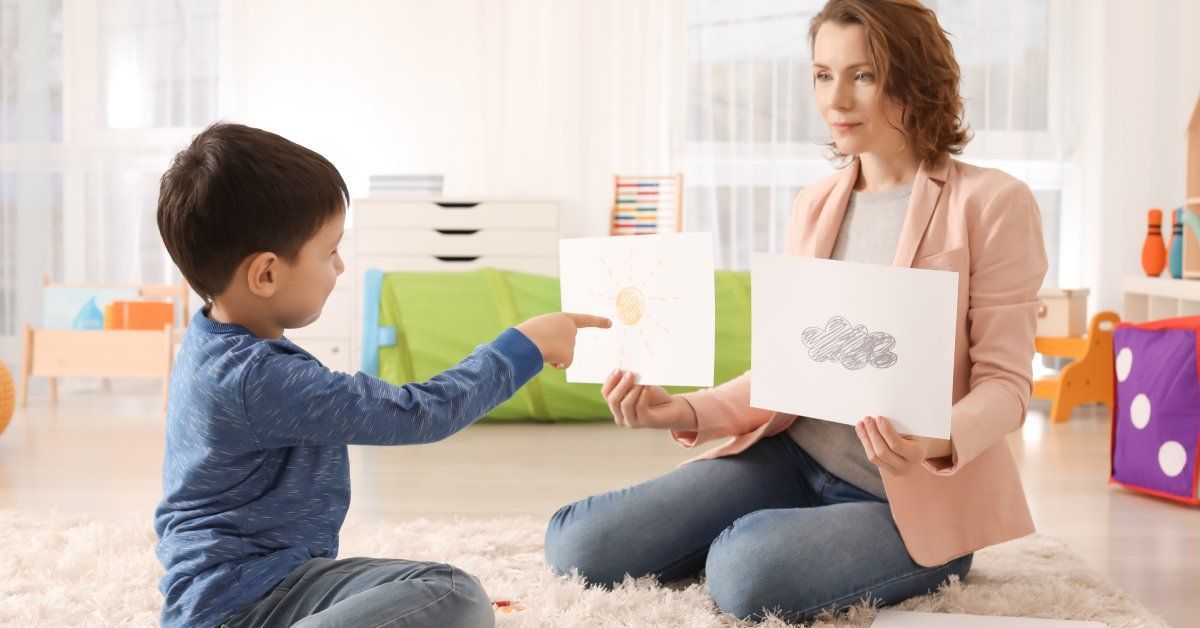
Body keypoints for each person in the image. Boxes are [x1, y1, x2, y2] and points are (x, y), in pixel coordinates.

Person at [543, 0, 1048, 622]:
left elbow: (1006, 387)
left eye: (863, 75)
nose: (836, 100)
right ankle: (784, 535)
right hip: (793, 457)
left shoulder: (994, 202)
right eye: (822, 74)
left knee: (745, 572)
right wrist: (683, 409)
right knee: (579, 545)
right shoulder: (815, 204)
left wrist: (932, 440)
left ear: (915, 77)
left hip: (906, 496)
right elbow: (789, 369)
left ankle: (831, 547)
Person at [152, 122, 610, 627]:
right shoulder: (256, 378)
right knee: (453, 594)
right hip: (248, 604)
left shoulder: (214, 340)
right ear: (266, 274)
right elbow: (420, 414)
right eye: (330, 252)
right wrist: (524, 348)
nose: (341, 266)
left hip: (249, 587)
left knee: (433, 595)